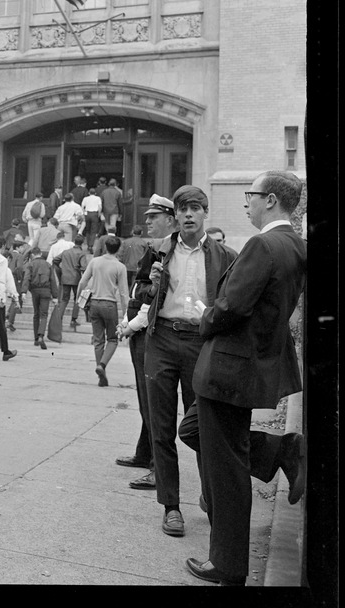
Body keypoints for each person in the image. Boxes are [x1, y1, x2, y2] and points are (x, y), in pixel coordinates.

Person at [178, 171, 307, 587]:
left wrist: (204, 318)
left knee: (226, 469)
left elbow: (229, 307)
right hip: (247, 368)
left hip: (230, 369)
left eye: (250, 195)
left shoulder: (263, 244)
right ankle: (282, 452)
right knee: (196, 431)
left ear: (270, 200)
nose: (246, 202)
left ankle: (229, 565)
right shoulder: (294, 245)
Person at [142, 185, 237, 538]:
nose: (188, 214)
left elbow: (232, 302)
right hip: (163, 340)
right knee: (162, 427)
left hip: (201, 342)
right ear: (176, 215)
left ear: (204, 214)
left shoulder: (224, 255)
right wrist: (150, 287)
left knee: (203, 427)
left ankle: (210, 499)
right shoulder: (158, 249)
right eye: (182, 208)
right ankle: (170, 506)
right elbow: (139, 294)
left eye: (195, 208)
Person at [115, 195, 177, 491]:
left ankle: (156, 467)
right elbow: (141, 287)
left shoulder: (167, 249)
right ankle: (144, 453)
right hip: (141, 327)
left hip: (147, 329)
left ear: (170, 219)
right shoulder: (154, 248)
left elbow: (150, 296)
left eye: (154, 217)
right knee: (144, 394)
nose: (148, 221)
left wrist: (130, 324)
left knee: (151, 399)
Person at [77, 235, 129, 386]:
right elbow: (124, 293)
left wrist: (79, 298)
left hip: (94, 303)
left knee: (98, 339)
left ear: (105, 247)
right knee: (112, 339)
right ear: (118, 249)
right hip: (109, 304)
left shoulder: (95, 262)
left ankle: (101, 372)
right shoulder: (120, 266)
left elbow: (82, 281)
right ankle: (103, 365)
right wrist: (126, 313)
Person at [47, 235, 86, 341]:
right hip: (76, 278)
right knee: (77, 299)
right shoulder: (81, 253)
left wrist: (60, 271)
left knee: (64, 299)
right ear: (82, 243)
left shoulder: (66, 252)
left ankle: (59, 318)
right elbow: (83, 266)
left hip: (65, 277)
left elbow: (55, 260)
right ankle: (73, 319)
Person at [22, 246, 58, 350]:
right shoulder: (48, 265)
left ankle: (35, 338)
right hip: (46, 291)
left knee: (36, 314)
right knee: (44, 314)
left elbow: (27, 278)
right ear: (41, 254)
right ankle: (41, 336)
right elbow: (53, 281)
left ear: (32, 255)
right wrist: (55, 296)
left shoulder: (30, 264)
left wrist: (24, 292)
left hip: (35, 291)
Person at [117, 224, 150, 289]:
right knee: (135, 285)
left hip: (127, 267)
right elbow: (147, 257)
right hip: (138, 268)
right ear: (142, 233)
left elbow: (120, 255)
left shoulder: (125, 242)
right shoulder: (143, 243)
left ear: (132, 232)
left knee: (127, 285)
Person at [81, 187, 104, 251]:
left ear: (89, 193)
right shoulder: (98, 198)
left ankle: (88, 244)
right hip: (94, 214)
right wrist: (99, 214)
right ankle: (91, 245)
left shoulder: (85, 198)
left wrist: (83, 214)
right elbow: (100, 207)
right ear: (95, 193)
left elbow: (82, 207)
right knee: (93, 231)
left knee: (88, 230)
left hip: (87, 214)